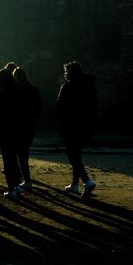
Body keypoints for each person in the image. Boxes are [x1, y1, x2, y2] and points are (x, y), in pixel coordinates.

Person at [57, 61, 98, 198]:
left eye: (66, 71)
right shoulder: (89, 86)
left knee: (72, 155)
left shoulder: (67, 87)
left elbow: (60, 106)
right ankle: (74, 184)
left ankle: (87, 181)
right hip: (85, 126)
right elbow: (94, 106)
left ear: (71, 72)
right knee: (77, 154)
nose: (65, 74)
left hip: (71, 125)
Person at [0, 69, 26, 199]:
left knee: (8, 161)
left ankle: (12, 188)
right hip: (18, 130)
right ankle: (17, 185)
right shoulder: (20, 94)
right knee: (15, 159)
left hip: (4, 131)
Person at [13, 67, 42, 191]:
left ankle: (25, 179)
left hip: (19, 124)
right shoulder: (33, 89)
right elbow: (40, 106)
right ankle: (25, 179)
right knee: (24, 152)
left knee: (19, 153)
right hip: (30, 124)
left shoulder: (16, 90)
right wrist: (32, 115)